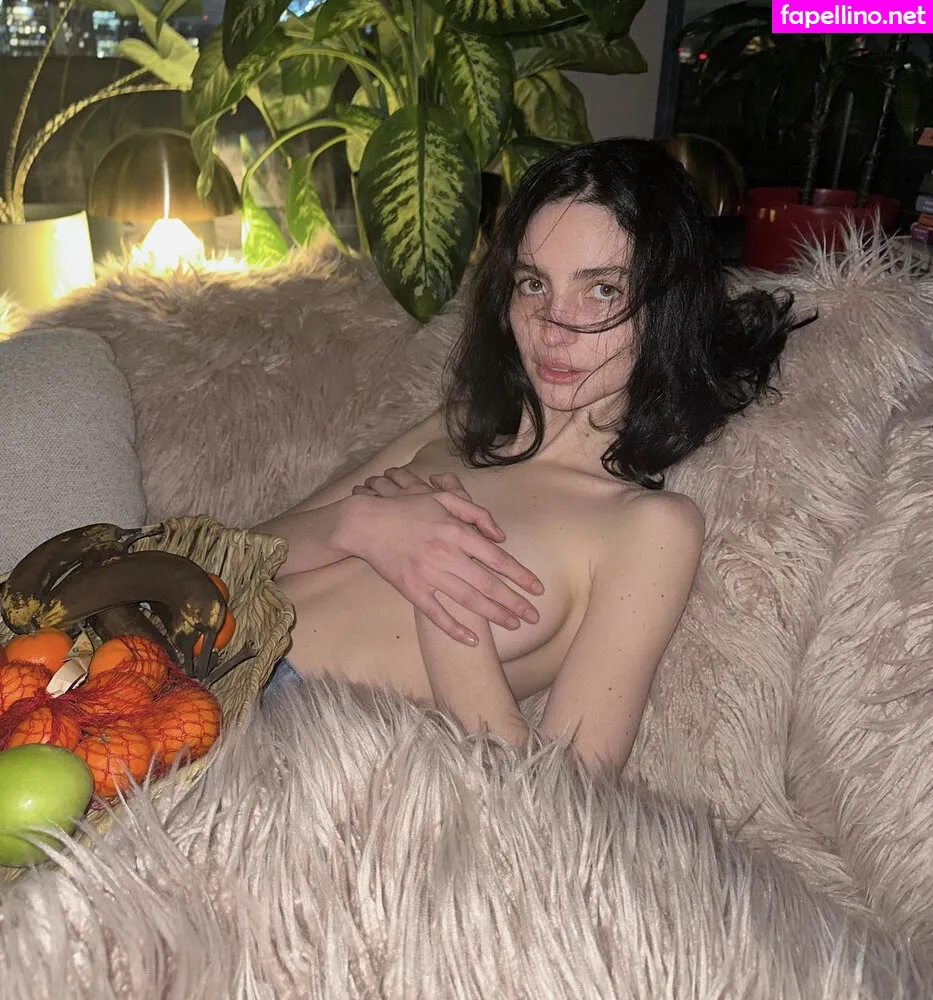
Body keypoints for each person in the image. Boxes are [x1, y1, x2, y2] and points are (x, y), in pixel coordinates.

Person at [254, 138, 801, 771]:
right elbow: (229, 553)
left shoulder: (649, 527)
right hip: (189, 633)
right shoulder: (460, 427)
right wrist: (356, 525)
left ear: (666, 309)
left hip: (259, 730)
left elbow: (567, 796)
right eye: (534, 283)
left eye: (602, 290)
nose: (552, 327)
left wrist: (448, 604)